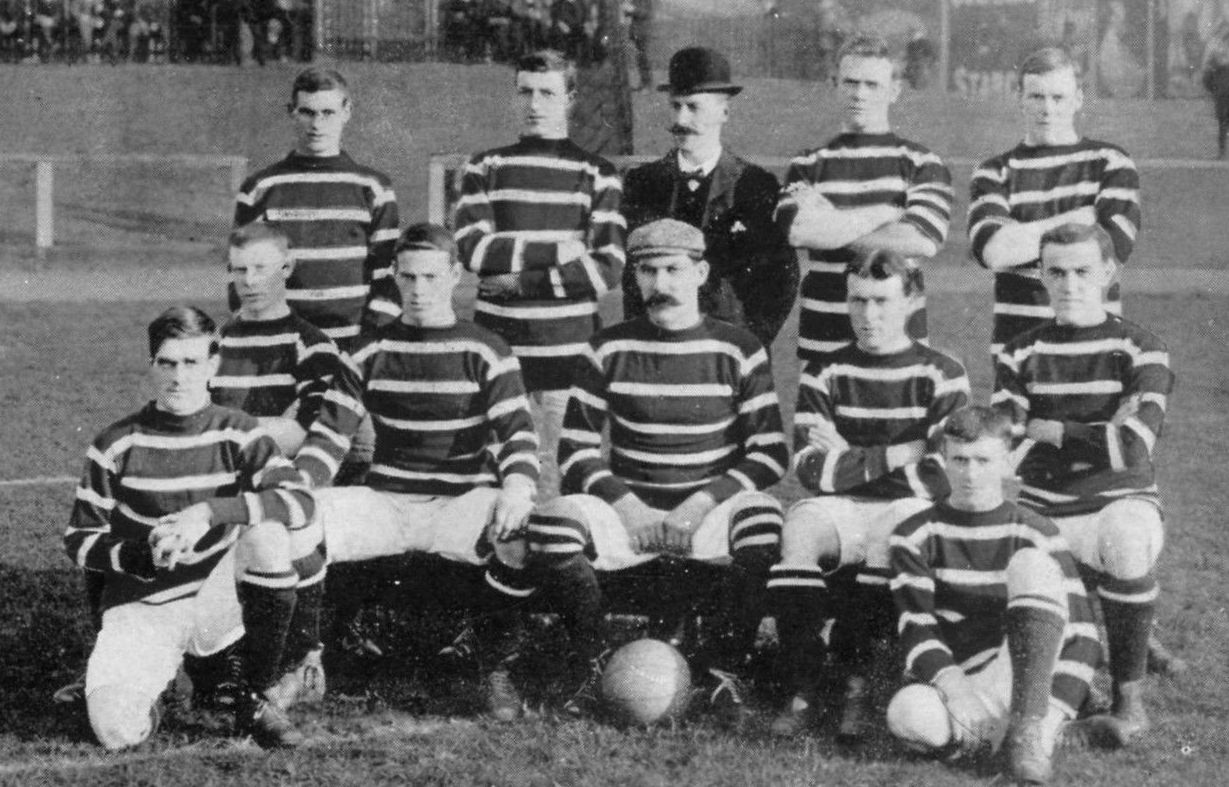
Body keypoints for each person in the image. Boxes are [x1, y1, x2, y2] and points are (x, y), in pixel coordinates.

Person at [523, 219, 789, 722]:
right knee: (554, 522)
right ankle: (594, 663)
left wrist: (700, 504)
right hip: (633, 512)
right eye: (648, 270)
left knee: (762, 520)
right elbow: (576, 450)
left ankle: (721, 673)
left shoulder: (739, 346)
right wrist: (626, 506)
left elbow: (771, 452)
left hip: (705, 513)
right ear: (635, 276)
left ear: (701, 272)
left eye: (673, 269)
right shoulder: (607, 346)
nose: (660, 284)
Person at [63, 306, 325, 750]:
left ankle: (253, 697)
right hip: (146, 603)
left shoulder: (239, 432)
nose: (178, 376)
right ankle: (161, 683)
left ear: (212, 365)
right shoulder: (116, 443)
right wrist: (138, 554)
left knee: (270, 535)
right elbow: (79, 540)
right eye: (167, 363)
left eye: (191, 363)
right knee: (117, 732)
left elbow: (300, 501)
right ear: (152, 366)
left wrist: (208, 513)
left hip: (217, 597)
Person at [313, 223, 541, 721]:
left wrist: (518, 489)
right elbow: (328, 438)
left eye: (431, 277)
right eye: (409, 277)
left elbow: (518, 434)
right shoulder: (368, 349)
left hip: (461, 500)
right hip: (388, 499)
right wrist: (298, 491)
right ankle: (308, 658)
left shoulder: (487, 348)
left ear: (455, 276)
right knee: (299, 522)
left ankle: (491, 666)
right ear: (394, 275)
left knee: (521, 534)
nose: (419, 290)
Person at [766, 248, 969, 741]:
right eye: (857, 301)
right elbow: (811, 469)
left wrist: (850, 457)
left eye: (881, 301)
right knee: (800, 527)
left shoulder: (943, 371)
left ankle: (854, 685)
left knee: (896, 526)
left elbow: (941, 476)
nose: (868, 315)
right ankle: (804, 682)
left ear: (913, 300)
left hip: (909, 508)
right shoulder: (825, 369)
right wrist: (903, 452)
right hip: (845, 506)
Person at [993, 222, 1175, 748]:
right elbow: (1009, 444)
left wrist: (1055, 429)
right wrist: (1098, 431)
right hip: (1042, 511)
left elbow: (1134, 447)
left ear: (1108, 272)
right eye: (1056, 272)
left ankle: (1128, 701)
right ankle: (1077, 687)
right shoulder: (1018, 352)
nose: (1069, 284)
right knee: (1017, 583)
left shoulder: (1142, 348)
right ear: (1041, 276)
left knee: (1127, 535)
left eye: (1082, 271)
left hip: (1116, 504)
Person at [886, 406, 1102, 785]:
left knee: (1031, 565)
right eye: (960, 460)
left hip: (1022, 679)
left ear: (1006, 463)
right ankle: (1019, 743)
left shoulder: (1037, 530)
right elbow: (917, 629)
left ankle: (1031, 733)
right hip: (961, 680)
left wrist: (1050, 713)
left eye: (983, 460)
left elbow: (1083, 637)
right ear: (944, 461)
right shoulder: (914, 534)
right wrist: (957, 693)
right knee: (906, 714)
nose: (970, 474)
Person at [454, 49, 625, 498]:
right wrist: (556, 249)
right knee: (496, 477)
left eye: (547, 93)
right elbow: (473, 250)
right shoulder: (485, 166)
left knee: (556, 482)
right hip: (496, 354)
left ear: (569, 97)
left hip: (567, 356)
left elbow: (606, 268)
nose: (534, 103)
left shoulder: (597, 174)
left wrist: (514, 281)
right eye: (525, 91)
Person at [776, 34, 953, 367]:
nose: (860, 94)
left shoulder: (921, 163)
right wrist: (885, 213)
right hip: (822, 342)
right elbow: (798, 232)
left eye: (872, 84)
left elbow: (922, 241)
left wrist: (831, 224)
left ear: (894, 91)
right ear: (835, 84)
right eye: (851, 82)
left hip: (902, 345)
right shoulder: (807, 164)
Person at [621, 47, 797, 351]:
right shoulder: (643, 184)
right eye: (675, 106)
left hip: (729, 351)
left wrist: (748, 343)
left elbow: (781, 278)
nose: (681, 118)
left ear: (724, 112)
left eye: (693, 107)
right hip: (657, 346)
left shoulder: (756, 186)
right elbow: (630, 275)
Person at [968, 47, 1140, 356]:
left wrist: (1022, 239)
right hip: (1019, 351)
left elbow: (1115, 248)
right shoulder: (994, 171)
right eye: (1036, 97)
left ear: (1078, 99)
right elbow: (993, 251)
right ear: (1019, 97)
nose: (1047, 109)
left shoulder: (1110, 163)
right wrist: (1081, 218)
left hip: (1097, 349)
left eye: (1058, 98)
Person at [234, 67, 401, 353]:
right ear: (291, 112)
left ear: (347, 111)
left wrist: (368, 342)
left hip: (354, 347)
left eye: (328, 113)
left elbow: (387, 277)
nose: (317, 124)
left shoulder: (373, 188)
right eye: (307, 112)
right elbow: (239, 276)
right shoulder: (261, 188)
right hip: (282, 344)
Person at [1201, 24, 1229, 159]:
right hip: (1222, 91)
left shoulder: (1215, 52)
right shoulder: (1215, 52)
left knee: (1223, 121)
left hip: (1221, 91)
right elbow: (1207, 75)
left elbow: (1207, 76)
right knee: (1223, 121)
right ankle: (1222, 152)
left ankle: (1222, 152)